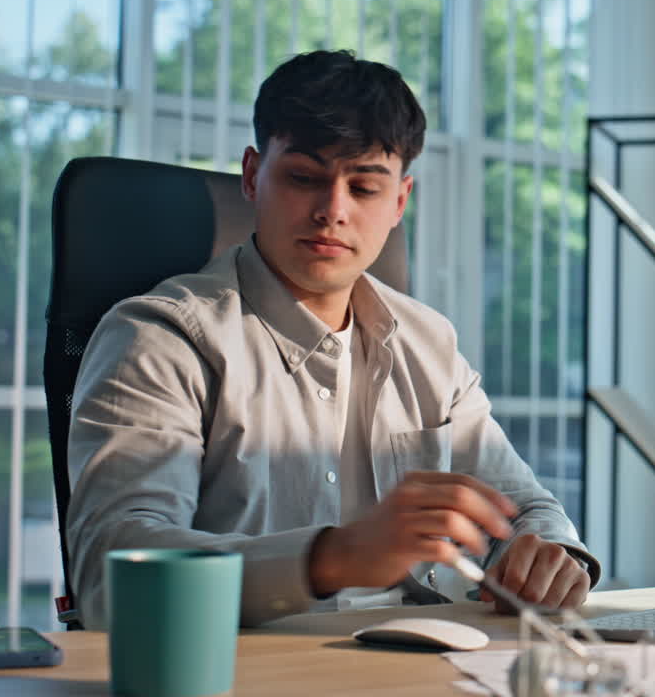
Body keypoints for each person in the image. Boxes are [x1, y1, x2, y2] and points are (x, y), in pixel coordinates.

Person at [65, 50, 599, 630]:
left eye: (365, 188)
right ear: (252, 176)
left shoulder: (428, 342)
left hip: (423, 663)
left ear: (399, 202)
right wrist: (332, 558)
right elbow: (111, 573)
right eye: (303, 178)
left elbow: (527, 508)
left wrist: (548, 554)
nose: (332, 212)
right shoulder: (161, 337)